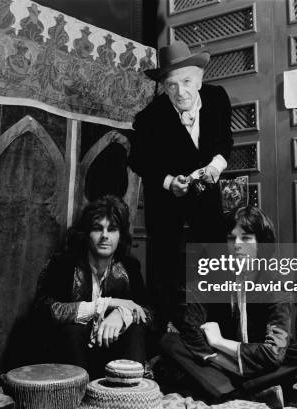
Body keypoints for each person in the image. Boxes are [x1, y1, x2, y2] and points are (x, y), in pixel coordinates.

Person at [160, 206, 297, 403]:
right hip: (221, 362)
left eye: (246, 238)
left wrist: (219, 341)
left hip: (259, 362)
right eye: (231, 238)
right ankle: (243, 393)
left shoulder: (276, 283)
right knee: (171, 342)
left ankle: (230, 391)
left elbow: (273, 353)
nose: (237, 245)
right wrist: (222, 359)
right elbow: (191, 328)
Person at [129, 40, 232, 328]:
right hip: (165, 200)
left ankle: (220, 331)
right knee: (166, 268)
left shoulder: (217, 99)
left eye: (187, 81)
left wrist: (215, 166)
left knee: (214, 259)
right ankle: (163, 337)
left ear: (199, 79)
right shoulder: (149, 118)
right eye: (171, 85)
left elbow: (225, 142)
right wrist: (168, 181)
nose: (180, 91)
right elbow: (137, 161)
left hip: (205, 192)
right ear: (163, 86)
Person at [34, 195, 151, 378]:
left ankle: (131, 396)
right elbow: (44, 310)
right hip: (72, 356)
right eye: (97, 229)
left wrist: (121, 314)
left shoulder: (129, 266)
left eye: (112, 229)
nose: (105, 236)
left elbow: (148, 312)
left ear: (120, 236)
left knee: (135, 330)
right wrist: (107, 303)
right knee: (71, 330)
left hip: (112, 354)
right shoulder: (63, 264)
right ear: (86, 233)